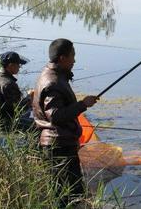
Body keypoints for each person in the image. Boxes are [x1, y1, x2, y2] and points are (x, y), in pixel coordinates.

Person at [32, 39, 98, 207]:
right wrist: (83, 104)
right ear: (62, 58)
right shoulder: (53, 82)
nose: (74, 61)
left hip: (59, 142)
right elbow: (56, 116)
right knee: (71, 195)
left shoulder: (53, 75)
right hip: (59, 145)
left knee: (64, 194)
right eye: (72, 56)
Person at [0, 51, 34, 132]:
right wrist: (29, 97)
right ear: (11, 65)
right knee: (38, 122)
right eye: (18, 65)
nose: (19, 67)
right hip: (3, 125)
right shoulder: (8, 84)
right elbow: (19, 110)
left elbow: (12, 105)